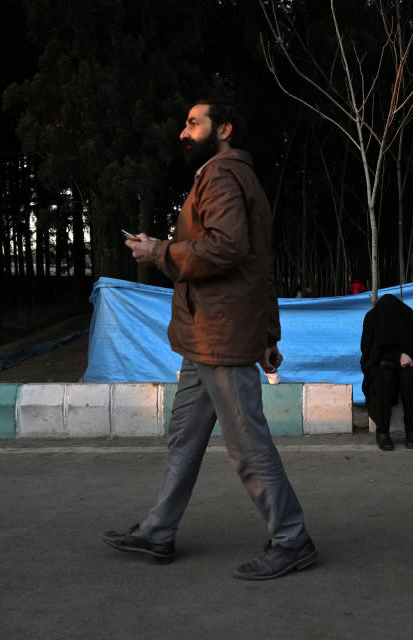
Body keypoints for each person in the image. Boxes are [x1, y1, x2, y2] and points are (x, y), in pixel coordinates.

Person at [102, 100, 317, 580]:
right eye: (184, 123)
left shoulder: (220, 176)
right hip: (206, 338)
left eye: (193, 123)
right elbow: (260, 263)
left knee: (247, 445)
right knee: (184, 437)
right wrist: (267, 332)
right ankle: (158, 531)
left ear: (224, 129)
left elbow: (227, 248)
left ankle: (291, 538)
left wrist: (158, 251)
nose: (183, 131)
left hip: (218, 337)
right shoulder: (239, 178)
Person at [359, 294, 413, 450]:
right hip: (380, 366)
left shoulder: (407, 316)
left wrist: (407, 357)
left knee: (409, 378)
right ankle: (382, 432)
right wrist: (395, 356)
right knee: (384, 379)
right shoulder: (372, 318)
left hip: (408, 367)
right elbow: (369, 353)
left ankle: (412, 431)